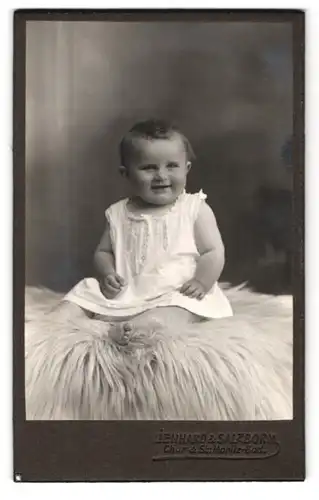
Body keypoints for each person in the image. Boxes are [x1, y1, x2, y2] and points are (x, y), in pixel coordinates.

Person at [57, 119, 233, 344]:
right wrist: (108, 273)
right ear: (126, 173)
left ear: (186, 168)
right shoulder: (118, 213)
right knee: (83, 291)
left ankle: (141, 327)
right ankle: (61, 320)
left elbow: (213, 251)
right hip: (128, 291)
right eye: (149, 168)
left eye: (172, 166)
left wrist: (201, 282)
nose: (161, 175)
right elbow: (103, 252)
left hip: (176, 291)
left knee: (180, 309)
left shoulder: (194, 208)